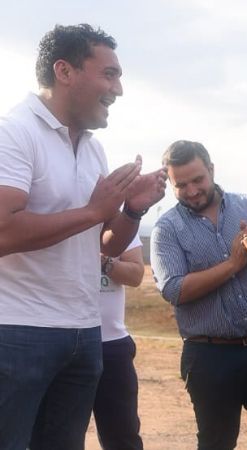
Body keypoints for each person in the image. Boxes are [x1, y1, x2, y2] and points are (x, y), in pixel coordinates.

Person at [0, 24, 166, 449]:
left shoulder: (92, 147)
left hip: (83, 331)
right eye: (109, 74)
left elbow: (104, 244)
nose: (119, 89)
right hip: (18, 331)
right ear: (65, 71)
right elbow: (3, 229)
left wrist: (132, 209)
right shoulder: (13, 132)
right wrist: (94, 210)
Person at [151, 141, 247, 450]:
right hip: (209, 356)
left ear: (212, 170)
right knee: (216, 443)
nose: (192, 190)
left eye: (198, 180)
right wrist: (233, 264)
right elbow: (174, 289)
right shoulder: (167, 229)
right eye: (181, 185)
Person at [93, 237, 145, 450]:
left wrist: (104, 262)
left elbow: (136, 275)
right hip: (58, 338)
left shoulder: (118, 218)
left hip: (111, 344)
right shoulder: (52, 210)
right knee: (56, 436)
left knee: (122, 437)